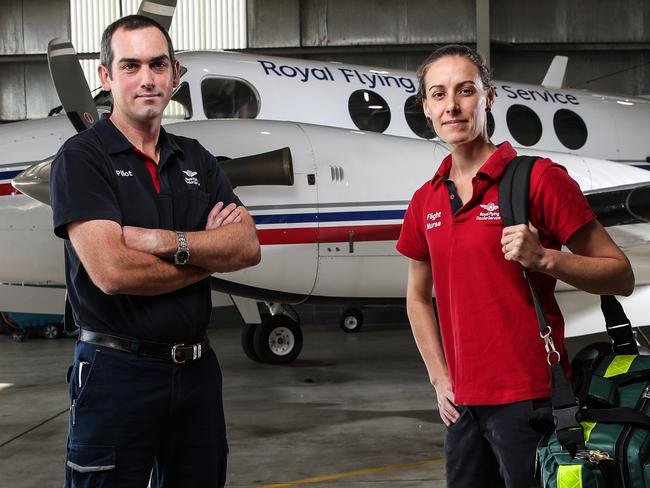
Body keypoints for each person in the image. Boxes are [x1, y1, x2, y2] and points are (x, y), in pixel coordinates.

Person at [396, 44, 634, 488]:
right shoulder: (424, 200)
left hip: (532, 402)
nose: (452, 105)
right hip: (462, 407)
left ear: (487, 97)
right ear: (426, 108)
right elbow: (416, 298)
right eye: (439, 94)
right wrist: (439, 377)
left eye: (465, 90)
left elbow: (620, 274)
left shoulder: (538, 179)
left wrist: (544, 257)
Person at [50, 15, 260, 488]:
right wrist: (206, 256)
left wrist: (166, 242)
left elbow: (246, 247)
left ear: (175, 74)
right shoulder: (82, 158)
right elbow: (112, 271)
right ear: (105, 77)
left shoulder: (196, 158)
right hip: (116, 371)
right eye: (130, 65)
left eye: (158, 64)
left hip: (197, 372)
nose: (147, 78)